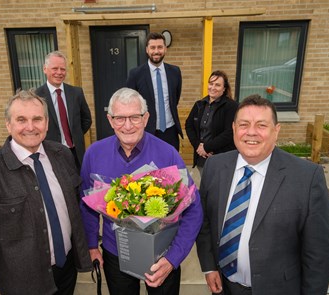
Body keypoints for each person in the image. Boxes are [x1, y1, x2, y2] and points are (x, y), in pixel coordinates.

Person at [196, 94, 329, 295]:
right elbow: (205, 221)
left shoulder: (307, 178)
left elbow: (319, 254)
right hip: (224, 286)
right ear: (234, 129)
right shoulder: (214, 166)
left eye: (261, 125)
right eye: (244, 124)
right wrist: (209, 267)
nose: (251, 132)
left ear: (276, 131)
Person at [0, 89, 92, 295]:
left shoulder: (62, 155)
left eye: (37, 119)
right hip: (22, 284)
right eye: (21, 119)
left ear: (47, 124)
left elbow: (74, 208)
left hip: (66, 272)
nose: (30, 127)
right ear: (8, 124)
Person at [80, 87, 203, 295]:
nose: (127, 126)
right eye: (120, 118)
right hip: (115, 253)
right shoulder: (94, 154)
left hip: (162, 256)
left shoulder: (168, 154)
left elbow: (194, 209)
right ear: (110, 120)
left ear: (146, 118)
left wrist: (173, 258)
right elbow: (86, 206)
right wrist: (92, 245)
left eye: (135, 117)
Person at [126, 32, 182, 151]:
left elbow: (175, 99)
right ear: (147, 49)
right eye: (153, 47)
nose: (156, 51)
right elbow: (130, 104)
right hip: (146, 131)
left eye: (160, 47)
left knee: (170, 167)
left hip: (170, 131)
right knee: (148, 168)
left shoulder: (175, 72)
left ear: (165, 49)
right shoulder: (136, 74)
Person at [36, 50, 92, 170]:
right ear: (45, 69)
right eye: (55, 68)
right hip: (51, 153)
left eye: (62, 69)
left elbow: (86, 119)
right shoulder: (36, 96)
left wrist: (75, 134)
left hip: (75, 152)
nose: (59, 72)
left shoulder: (76, 92)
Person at [185, 70, 238, 174]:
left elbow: (229, 132)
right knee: (206, 188)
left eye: (217, 85)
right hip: (202, 157)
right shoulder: (199, 105)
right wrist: (198, 147)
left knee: (221, 189)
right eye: (211, 83)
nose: (213, 87)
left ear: (224, 89)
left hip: (222, 158)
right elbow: (189, 126)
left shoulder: (231, 106)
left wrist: (207, 147)